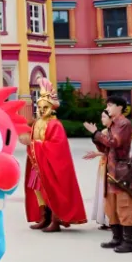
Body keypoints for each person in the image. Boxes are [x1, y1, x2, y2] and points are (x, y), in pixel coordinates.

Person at [23, 79, 86, 232]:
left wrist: (35, 144)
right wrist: (29, 142)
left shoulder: (55, 124)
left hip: (50, 165)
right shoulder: (37, 123)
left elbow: (57, 146)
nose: (41, 110)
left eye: (45, 107)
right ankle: (44, 216)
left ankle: (55, 219)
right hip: (37, 164)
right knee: (37, 189)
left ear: (52, 108)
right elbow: (33, 140)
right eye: (39, 107)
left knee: (51, 190)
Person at [85, 96, 132, 253]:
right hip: (111, 170)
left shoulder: (124, 124)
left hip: (121, 171)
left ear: (120, 107)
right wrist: (96, 137)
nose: (107, 108)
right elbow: (105, 149)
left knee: (124, 206)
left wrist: (96, 133)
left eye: (110, 105)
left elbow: (114, 143)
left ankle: (128, 242)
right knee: (111, 206)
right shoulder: (112, 125)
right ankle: (117, 238)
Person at [84, 110, 111, 230]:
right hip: (104, 164)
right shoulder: (105, 131)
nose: (102, 119)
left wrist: (97, 153)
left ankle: (112, 220)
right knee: (102, 191)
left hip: (112, 166)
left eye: (104, 117)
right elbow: (103, 149)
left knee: (109, 192)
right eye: (102, 117)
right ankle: (105, 219)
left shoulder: (116, 132)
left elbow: (113, 150)